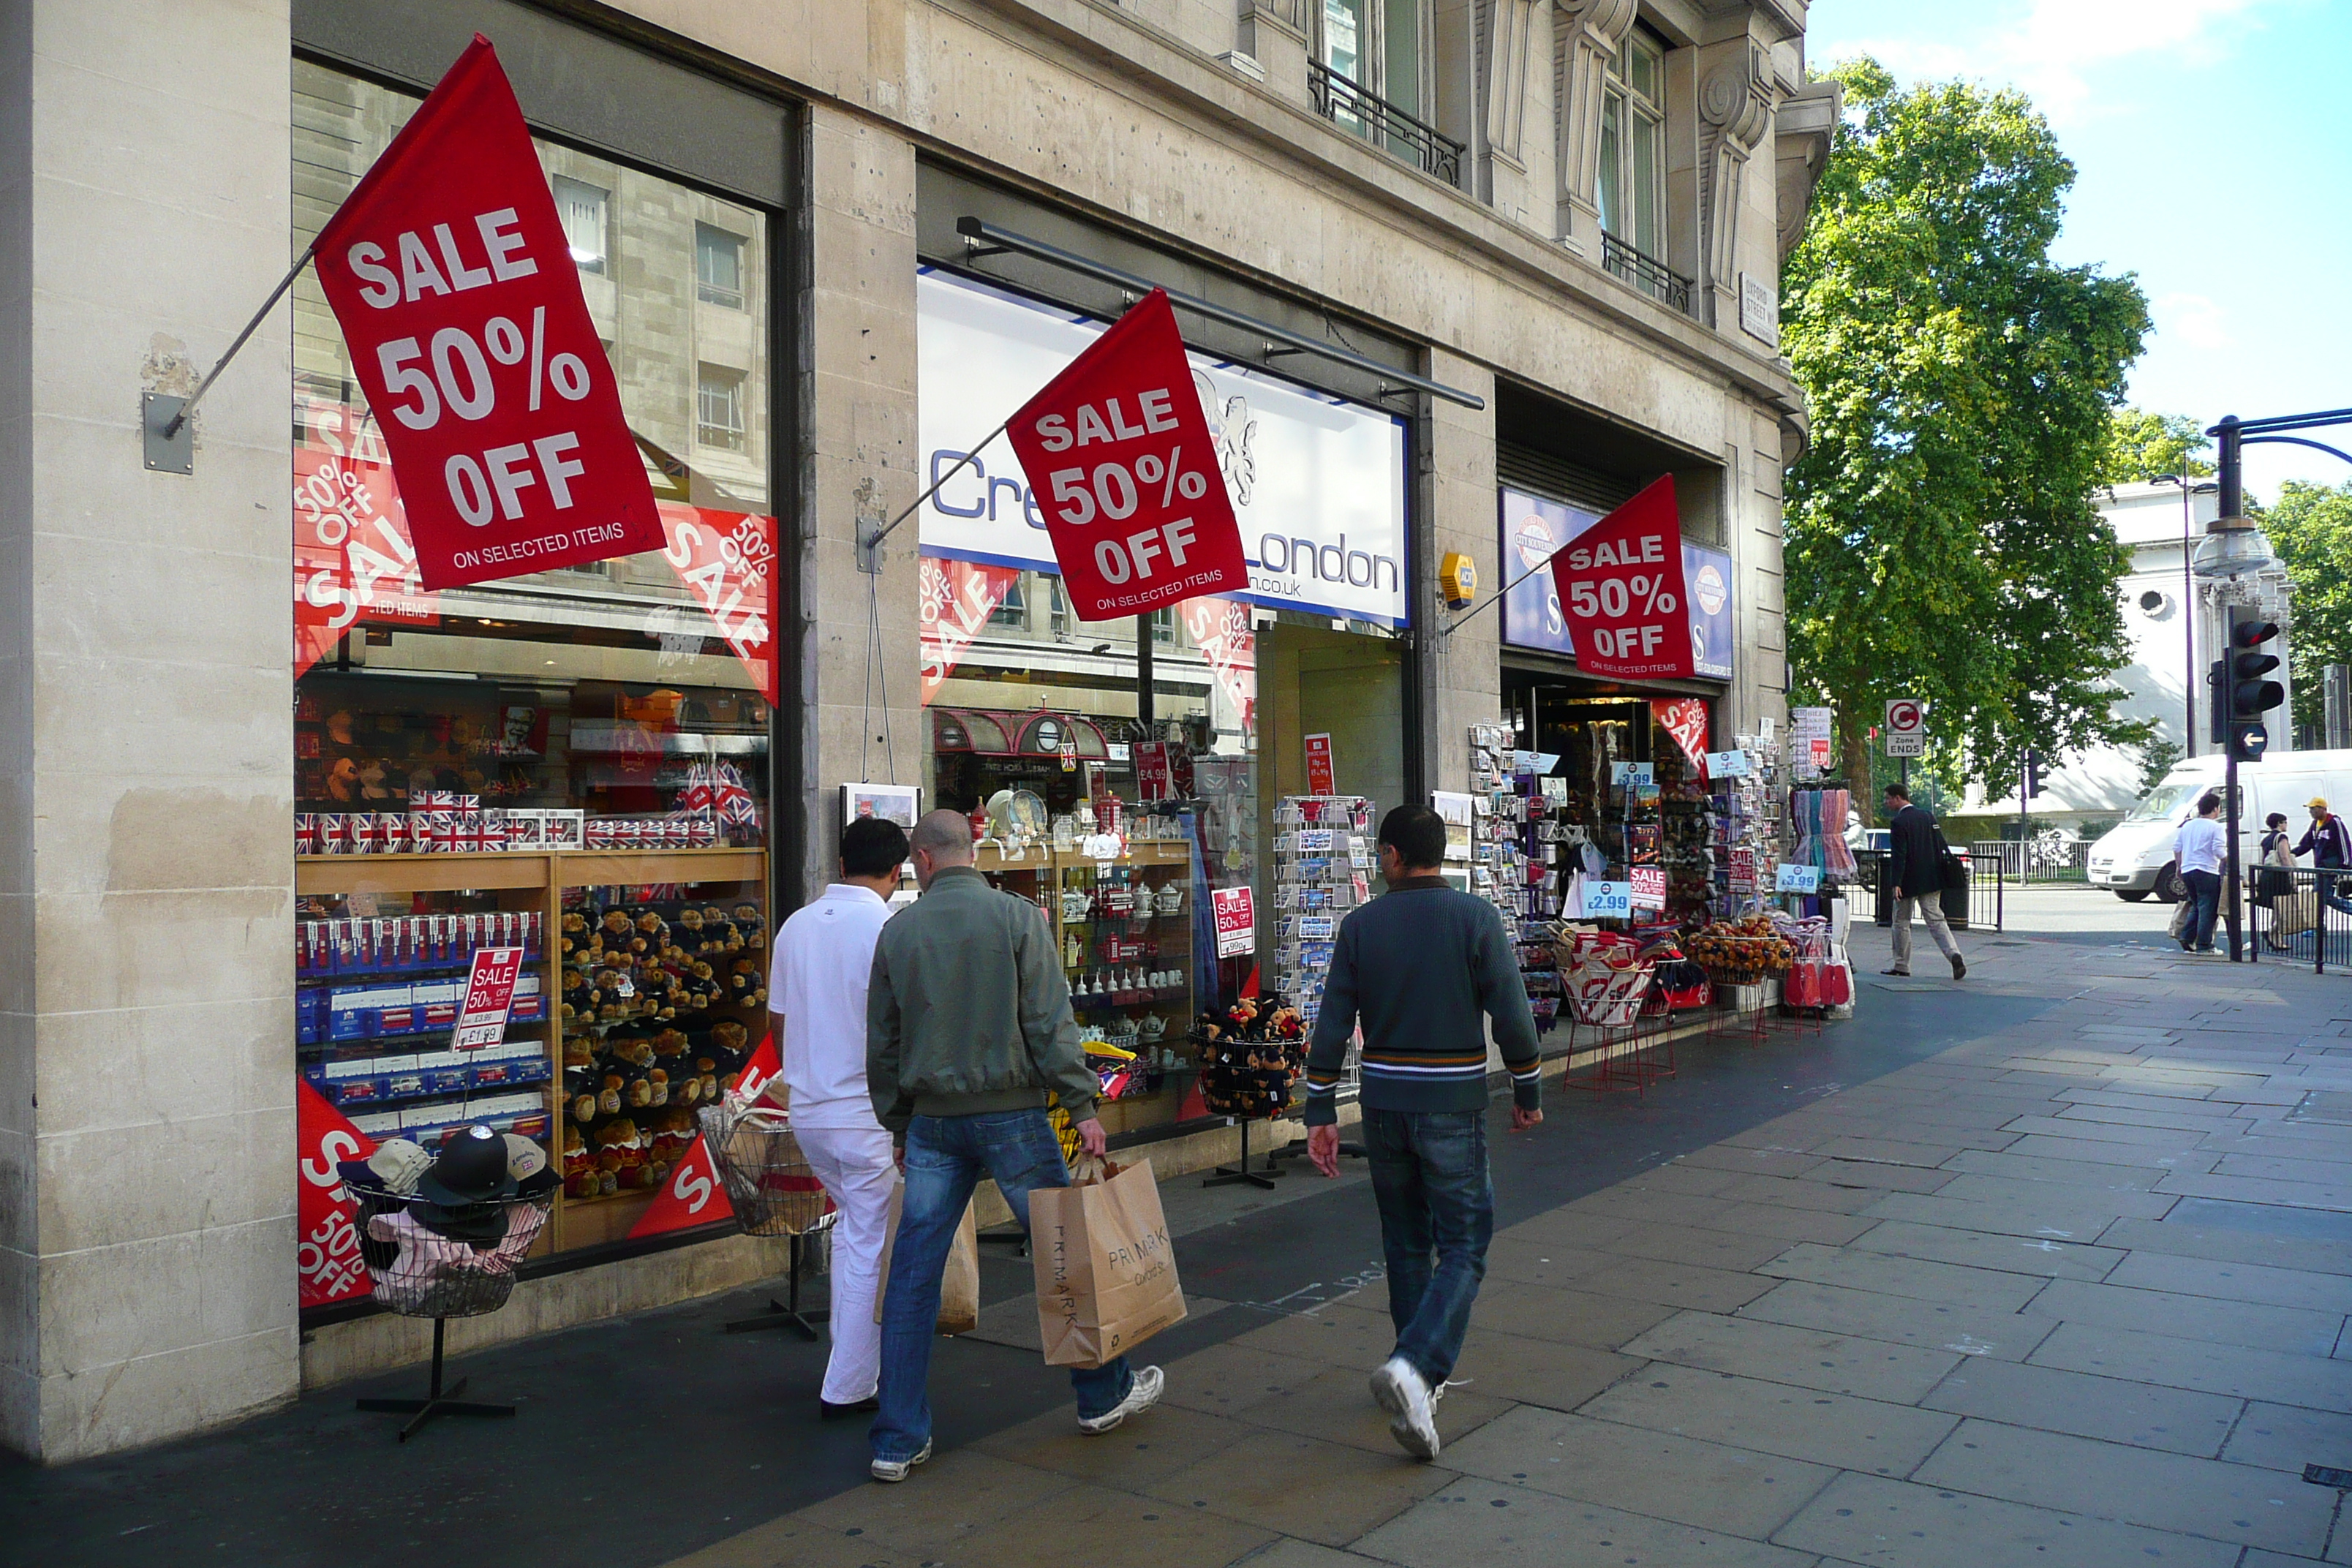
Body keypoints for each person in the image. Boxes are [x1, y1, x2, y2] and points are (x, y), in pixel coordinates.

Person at [864, 809, 1162, 1482]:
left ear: (924, 860)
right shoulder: (1018, 919)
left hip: (935, 1122)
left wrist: (899, 1124)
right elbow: (1049, 1021)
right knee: (1066, 1256)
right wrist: (1081, 1104)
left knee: (913, 1277)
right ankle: (1101, 1395)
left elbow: (882, 1045)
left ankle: (897, 1438)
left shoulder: (898, 933)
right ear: (972, 853)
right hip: (1015, 1116)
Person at [1301, 804, 1542, 1463]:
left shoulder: (1361, 926)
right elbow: (1512, 1017)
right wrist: (1527, 1087)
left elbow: (1332, 1025)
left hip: (1382, 1106)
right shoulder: (1476, 918)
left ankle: (1415, 1380)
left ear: (1390, 856)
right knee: (1465, 1243)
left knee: (1405, 1242)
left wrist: (1319, 1110)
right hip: (1451, 1103)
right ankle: (1417, 1367)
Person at [766, 815, 909, 1420]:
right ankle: (849, 1383)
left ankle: (852, 1370)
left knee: (855, 1235)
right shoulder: (888, 928)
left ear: (841, 863)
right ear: (898, 872)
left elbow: (778, 1023)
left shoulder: (796, 926)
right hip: (865, 1114)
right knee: (867, 1242)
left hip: (810, 1109)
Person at [1881, 783, 1964, 980]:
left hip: (1908, 880)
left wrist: (1896, 883)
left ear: (1898, 797)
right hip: (1932, 877)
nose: (1886, 802)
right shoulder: (1927, 816)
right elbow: (1939, 844)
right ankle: (1954, 954)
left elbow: (1899, 855)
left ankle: (1902, 964)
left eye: (1888, 798)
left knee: (1901, 922)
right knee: (1936, 920)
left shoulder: (1899, 822)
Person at [2172, 791, 2225, 955]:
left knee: (2197, 904)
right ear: (2216, 809)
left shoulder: (2187, 825)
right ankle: (2204, 945)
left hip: (2188, 870)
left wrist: (2179, 867)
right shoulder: (2216, 827)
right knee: (2208, 908)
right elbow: (2218, 850)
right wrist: (2229, 859)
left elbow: (2177, 848)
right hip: (2207, 870)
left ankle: (2187, 937)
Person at [2293, 797, 2352, 921]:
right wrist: (2291, 854)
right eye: (2310, 809)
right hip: (2321, 867)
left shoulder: (2334, 822)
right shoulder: (2315, 825)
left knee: (2319, 896)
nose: (2311, 812)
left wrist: (2345, 865)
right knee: (2323, 897)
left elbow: (2344, 843)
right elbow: (2307, 844)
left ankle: (2317, 926)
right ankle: (2318, 926)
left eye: (2313, 809)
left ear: (2323, 809)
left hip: (2330, 866)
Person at [2257, 811, 2296, 953]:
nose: (2286, 825)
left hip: (2268, 876)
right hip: (2279, 877)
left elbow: (2263, 859)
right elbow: (2285, 857)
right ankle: (2273, 933)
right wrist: (2292, 874)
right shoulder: (2282, 837)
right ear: (2280, 823)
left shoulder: (2266, 839)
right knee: (2284, 907)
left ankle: (2276, 938)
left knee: (2277, 907)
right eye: (2285, 822)